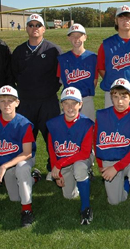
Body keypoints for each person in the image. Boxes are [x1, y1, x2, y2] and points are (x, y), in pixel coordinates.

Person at [12, 14, 62, 180]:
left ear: (44, 28)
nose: (35, 28)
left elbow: (61, 76)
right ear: (26, 28)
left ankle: (53, 168)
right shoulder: (19, 51)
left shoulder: (53, 50)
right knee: (26, 138)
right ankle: (25, 170)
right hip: (25, 103)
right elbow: (13, 76)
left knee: (52, 136)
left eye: (38, 25)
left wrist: (48, 90)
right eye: (31, 25)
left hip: (48, 101)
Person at [94, 78, 130, 233]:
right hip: (109, 161)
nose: (119, 101)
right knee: (114, 202)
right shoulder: (102, 115)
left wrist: (116, 168)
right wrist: (100, 165)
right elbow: (96, 141)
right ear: (111, 97)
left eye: (124, 96)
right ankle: (126, 185)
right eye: (116, 96)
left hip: (129, 160)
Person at [0, 85, 41, 227]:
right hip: (7, 163)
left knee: (21, 169)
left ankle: (27, 211)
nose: (6, 104)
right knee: (15, 198)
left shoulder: (23, 124)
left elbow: (27, 153)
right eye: (2, 100)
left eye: (11, 100)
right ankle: (33, 178)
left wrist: (3, 167)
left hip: (23, 159)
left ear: (17, 103)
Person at [47, 87, 94, 225]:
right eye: (66, 103)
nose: (70, 107)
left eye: (74, 103)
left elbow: (84, 153)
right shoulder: (54, 124)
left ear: (80, 104)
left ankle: (86, 208)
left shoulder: (86, 123)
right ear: (61, 105)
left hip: (82, 158)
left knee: (79, 167)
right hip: (64, 160)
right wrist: (58, 173)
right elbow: (52, 150)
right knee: (69, 195)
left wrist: (59, 165)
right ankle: (82, 180)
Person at [97, 5, 130, 114]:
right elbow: (101, 68)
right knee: (112, 129)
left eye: (128, 17)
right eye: (121, 17)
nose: (125, 20)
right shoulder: (106, 44)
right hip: (113, 93)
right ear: (116, 21)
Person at [57, 23, 98, 121]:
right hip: (68, 101)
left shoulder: (93, 58)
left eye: (79, 36)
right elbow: (60, 79)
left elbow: (95, 81)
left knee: (88, 130)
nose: (76, 39)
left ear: (85, 37)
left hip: (86, 99)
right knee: (67, 132)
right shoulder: (63, 59)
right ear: (69, 38)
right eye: (73, 36)